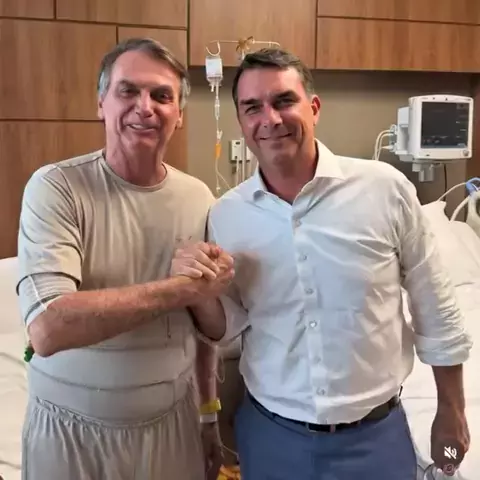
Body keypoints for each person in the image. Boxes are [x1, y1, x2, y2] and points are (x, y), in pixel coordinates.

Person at [171, 48, 473, 480]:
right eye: (253, 107)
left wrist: (452, 408)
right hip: (272, 435)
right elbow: (229, 325)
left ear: (313, 108)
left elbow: (435, 304)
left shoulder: (384, 189)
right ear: (241, 120)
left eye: (284, 101)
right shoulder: (227, 215)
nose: (270, 118)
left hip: (375, 436)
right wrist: (199, 293)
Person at [16, 37, 234, 480]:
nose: (145, 107)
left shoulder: (198, 198)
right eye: (128, 91)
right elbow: (47, 328)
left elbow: (209, 331)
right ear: (101, 103)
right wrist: (180, 289)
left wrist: (208, 415)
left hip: (170, 427)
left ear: (178, 115)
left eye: (162, 95)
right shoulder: (56, 188)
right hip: (69, 432)